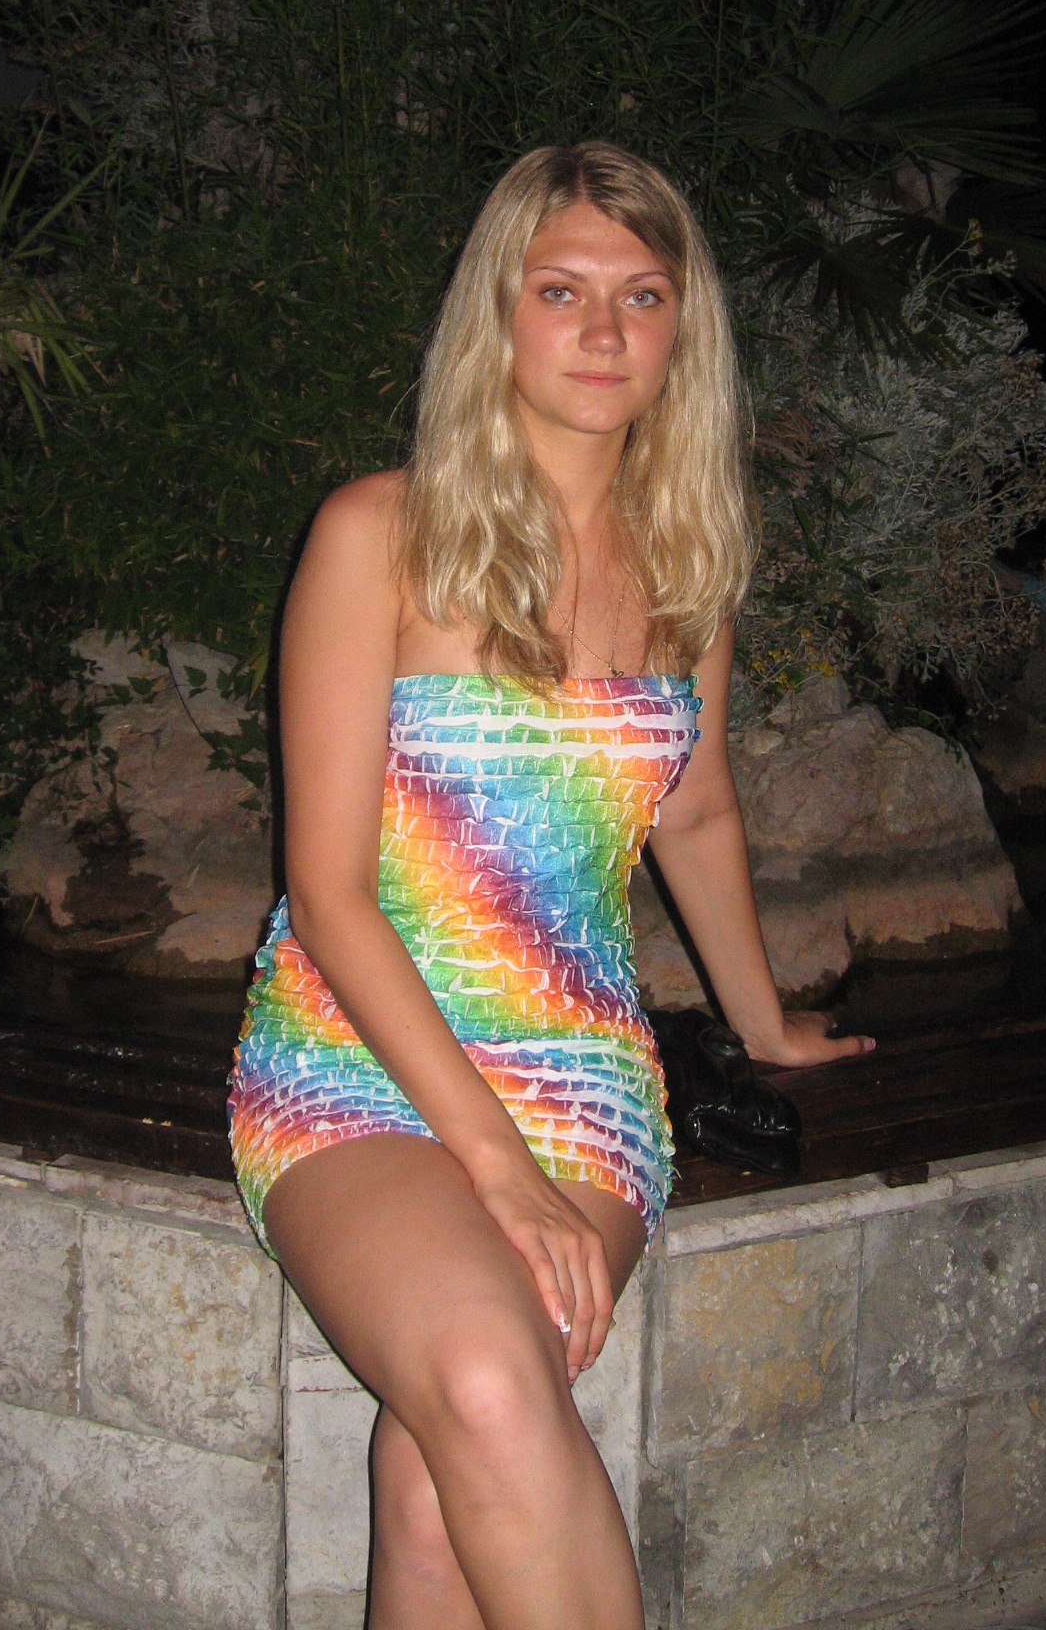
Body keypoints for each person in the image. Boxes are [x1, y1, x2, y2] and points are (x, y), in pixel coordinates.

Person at [226, 142, 873, 1630]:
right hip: (349, 1056)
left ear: (682, 330)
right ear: (498, 315)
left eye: (642, 296)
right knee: (479, 1381)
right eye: (562, 291)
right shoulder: (377, 534)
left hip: (580, 1075)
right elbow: (328, 893)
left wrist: (762, 1025)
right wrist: (496, 1174)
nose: (602, 331)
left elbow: (695, 812)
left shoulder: (688, 560)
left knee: (441, 1479)